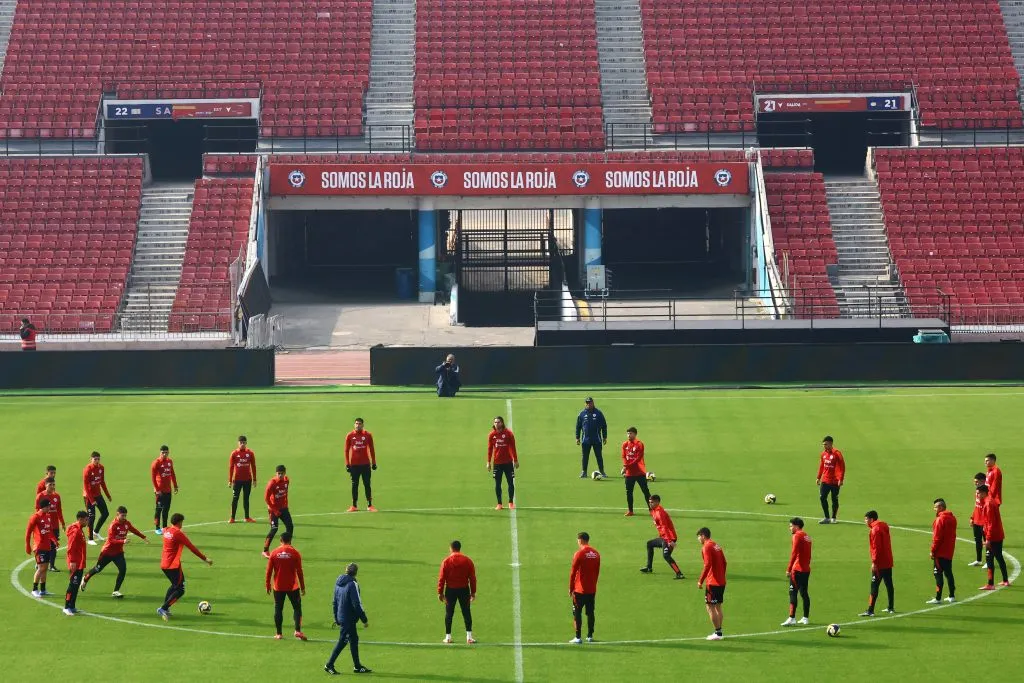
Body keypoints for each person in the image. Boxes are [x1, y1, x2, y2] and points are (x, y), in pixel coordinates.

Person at [82, 505, 149, 597]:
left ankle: (116, 591)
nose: (124, 518)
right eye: (123, 515)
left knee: (123, 570)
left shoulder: (126, 523)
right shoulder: (113, 525)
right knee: (97, 569)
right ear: (117, 514)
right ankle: (85, 579)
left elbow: (133, 530)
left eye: (125, 515)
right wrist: (123, 541)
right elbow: (111, 540)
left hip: (118, 553)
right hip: (107, 552)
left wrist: (143, 537)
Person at [157, 513, 213, 620]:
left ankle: (166, 608)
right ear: (179, 522)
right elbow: (192, 547)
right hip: (173, 565)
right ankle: (163, 608)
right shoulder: (178, 533)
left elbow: (164, 532)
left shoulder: (167, 530)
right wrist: (205, 559)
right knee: (181, 589)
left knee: (174, 585)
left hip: (164, 564)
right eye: (182, 522)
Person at [325, 563, 371, 675]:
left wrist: (336, 618)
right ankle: (329, 664)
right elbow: (357, 604)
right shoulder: (352, 584)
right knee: (342, 641)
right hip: (348, 619)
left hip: (342, 617)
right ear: (355, 572)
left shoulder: (338, 582)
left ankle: (357, 666)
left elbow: (334, 602)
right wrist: (364, 619)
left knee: (354, 639)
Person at [265, 531, 306, 640]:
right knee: (297, 608)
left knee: (278, 608)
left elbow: (269, 571)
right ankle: (297, 631)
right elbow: (299, 571)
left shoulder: (274, 553)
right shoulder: (295, 553)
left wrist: (267, 585)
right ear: (290, 540)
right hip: (292, 586)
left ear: (280, 540)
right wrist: (302, 587)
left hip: (278, 587)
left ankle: (279, 634)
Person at [438, 540, 477, 644]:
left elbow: (442, 578)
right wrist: (473, 592)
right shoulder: (468, 561)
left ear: (451, 548)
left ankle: (448, 637)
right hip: (464, 590)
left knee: (449, 613)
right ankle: (469, 637)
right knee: (466, 612)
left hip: (450, 590)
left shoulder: (446, 561)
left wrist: (440, 592)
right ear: (460, 548)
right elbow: (472, 578)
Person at [860, 511, 895, 616]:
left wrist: (874, 562)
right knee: (889, 584)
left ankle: (870, 610)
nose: (865, 521)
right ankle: (891, 607)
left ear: (871, 519)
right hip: (888, 560)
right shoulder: (884, 526)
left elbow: (876, 548)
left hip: (880, 563)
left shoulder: (874, 530)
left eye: (866, 519)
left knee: (874, 586)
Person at [640, 494, 684, 579]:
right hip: (664, 537)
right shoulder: (654, 510)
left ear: (657, 502)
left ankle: (679, 574)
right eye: (649, 502)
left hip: (669, 538)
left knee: (666, 556)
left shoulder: (660, 513)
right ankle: (649, 567)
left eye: (652, 502)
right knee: (649, 544)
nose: (650, 504)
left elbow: (665, 527)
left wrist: (670, 541)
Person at [568, 531, 600, 644]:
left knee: (577, 612)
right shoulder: (596, 553)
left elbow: (573, 572)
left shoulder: (579, 553)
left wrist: (570, 587)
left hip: (579, 589)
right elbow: (597, 571)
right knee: (590, 612)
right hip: (592, 589)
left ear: (580, 540)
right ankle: (590, 635)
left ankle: (577, 637)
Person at [696, 527, 727, 641]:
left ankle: (718, 633)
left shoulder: (707, 546)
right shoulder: (716, 545)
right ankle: (719, 632)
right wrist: (721, 576)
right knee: (718, 606)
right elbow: (724, 562)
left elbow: (707, 564)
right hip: (721, 581)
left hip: (712, 582)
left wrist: (701, 580)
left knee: (710, 606)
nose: (698, 539)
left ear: (703, 536)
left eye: (698, 537)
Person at [781, 517, 812, 625]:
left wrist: (788, 569)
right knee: (804, 593)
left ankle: (792, 618)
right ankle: (805, 618)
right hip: (806, 569)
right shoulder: (807, 536)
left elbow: (794, 553)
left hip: (797, 569)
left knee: (792, 592)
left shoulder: (797, 536)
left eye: (791, 526)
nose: (790, 528)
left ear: (796, 526)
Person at [978, 484, 1009, 589]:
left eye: (978, 493)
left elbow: (990, 522)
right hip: (998, 534)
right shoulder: (991, 501)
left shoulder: (988, 504)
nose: (977, 495)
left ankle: (990, 584)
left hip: (993, 536)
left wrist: (988, 539)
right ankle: (1005, 580)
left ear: (983, 493)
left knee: (989, 558)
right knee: (999, 557)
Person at [25, 498, 57, 597]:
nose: (49, 508)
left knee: (45, 568)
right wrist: (27, 545)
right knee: (41, 568)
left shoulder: (47, 516)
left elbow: (50, 531)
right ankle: (34, 589)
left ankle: (43, 590)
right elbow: (28, 532)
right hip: (39, 547)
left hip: (47, 546)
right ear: (43, 507)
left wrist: (54, 540)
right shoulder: (35, 517)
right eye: (48, 506)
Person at [927, 498, 957, 604]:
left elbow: (937, 538)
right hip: (949, 550)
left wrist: (932, 551)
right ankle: (952, 595)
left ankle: (938, 597)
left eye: (935, 507)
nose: (934, 509)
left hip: (940, 552)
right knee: (949, 573)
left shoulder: (940, 520)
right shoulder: (952, 518)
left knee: (938, 574)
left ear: (940, 507)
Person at [345, 418, 378, 512]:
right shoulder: (350, 436)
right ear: (354, 425)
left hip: (365, 464)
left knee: (367, 484)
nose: (357, 425)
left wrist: (374, 462)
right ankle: (354, 505)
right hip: (354, 465)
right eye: (356, 423)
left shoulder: (367, 435)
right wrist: (347, 464)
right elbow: (346, 450)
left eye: (359, 424)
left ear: (363, 425)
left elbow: (372, 449)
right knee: (354, 485)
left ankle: (370, 505)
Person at [487, 416, 518, 510]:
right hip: (497, 463)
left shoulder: (509, 434)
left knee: (510, 482)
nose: (496, 424)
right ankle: (499, 504)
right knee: (497, 483)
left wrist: (515, 460)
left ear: (502, 423)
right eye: (495, 422)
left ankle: (511, 502)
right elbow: (489, 449)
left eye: (498, 422)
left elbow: (513, 447)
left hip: (508, 462)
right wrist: (488, 462)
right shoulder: (492, 435)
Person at [36, 478, 65, 572]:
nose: (52, 487)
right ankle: (39, 563)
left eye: (53, 485)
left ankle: (52, 565)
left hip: (54, 525)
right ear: (45, 485)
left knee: (54, 545)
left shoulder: (57, 496)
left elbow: (59, 510)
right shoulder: (40, 496)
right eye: (50, 485)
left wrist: (62, 522)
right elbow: (37, 511)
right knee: (41, 544)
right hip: (43, 525)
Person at [63, 510, 89, 616]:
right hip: (75, 562)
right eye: (86, 519)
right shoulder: (76, 531)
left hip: (79, 561)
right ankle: (66, 607)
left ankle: (72, 606)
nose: (88, 522)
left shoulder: (79, 529)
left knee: (76, 583)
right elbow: (71, 547)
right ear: (80, 519)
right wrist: (72, 561)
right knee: (72, 584)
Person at [83, 451, 112, 545]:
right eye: (95, 459)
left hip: (98, 494)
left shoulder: (101, 468)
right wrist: (92, 500)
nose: (97, 461)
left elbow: (102, 482)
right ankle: (90, 538)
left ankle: (96, 531)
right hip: (88, 496)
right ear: (91, 459)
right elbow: (86, 486)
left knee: (105, 513)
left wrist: (108, 495)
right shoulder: (87, 470)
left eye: (98, 459)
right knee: (91, 517)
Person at [621, 427, 651, 517]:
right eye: (628, 433)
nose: (629, 435)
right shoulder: (625, 444)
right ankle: (630, 510)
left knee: (645, 491)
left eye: (630, 433)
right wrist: (625, 466)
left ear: (635, 434)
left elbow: (638, 458)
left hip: (639, 472)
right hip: (629, 474)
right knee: (629, 492)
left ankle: (652, 509)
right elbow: (623, 456)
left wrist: (626, 467)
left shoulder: (639, 444)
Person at [264, 465, 293, 558]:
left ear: (285, 473)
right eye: (278, 473)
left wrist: (285, 505)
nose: (280, 475)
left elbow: (285, 493)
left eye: (282, 473)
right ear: (276, 473)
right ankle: (265, 550)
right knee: (274, 528)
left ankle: (288, 546)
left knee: (290, 526)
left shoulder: (286, 480)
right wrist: (274, 510)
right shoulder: (272, 483)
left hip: (283, 508)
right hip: (273, 509)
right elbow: (266, 498)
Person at [575, 397, 608, 478]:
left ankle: (602, 471)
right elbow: (578, 426)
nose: (588, 404)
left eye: (590, 402)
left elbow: (604, 425)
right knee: (585, 457)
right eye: (587, 403)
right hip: (585, 440)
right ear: (585, 404)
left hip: (597, 439)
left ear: (593, 403)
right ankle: (584, 472)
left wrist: (604, 437)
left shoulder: (599, 413)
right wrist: (577, 437)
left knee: (599, 456)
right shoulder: (582, 414)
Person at [816, 436, 845, 524]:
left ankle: (833, 517)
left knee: (834, 499)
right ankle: (826, 517)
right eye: (823, 444)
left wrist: (841, 479)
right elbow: (822, 466)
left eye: (826, 444)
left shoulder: (837, 453)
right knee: (822, 497)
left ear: (831, 443)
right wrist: (818, 477)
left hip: (835, 481)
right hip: (825, 480)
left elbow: (842, 467)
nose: (824, 446)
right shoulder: (823, 454)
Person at [228, 435, 257, 523]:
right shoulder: (234, 454)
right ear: (238, 443)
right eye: (241, 443)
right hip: (237, 480)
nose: (242, 444)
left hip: (248, 480)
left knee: (246, 499)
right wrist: (229, 480)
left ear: (246, 443)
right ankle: (232, 518)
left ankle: (247, 517)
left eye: (244, 443)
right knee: (235, 498)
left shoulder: (250, 453)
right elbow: (231, 467)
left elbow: (253, 466)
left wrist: (254, 479)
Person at [151, 445, 178, 534]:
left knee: (166, 510)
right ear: (160, 452)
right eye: (163, 452)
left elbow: (172, 473)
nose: (165, 454)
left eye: (166, 452)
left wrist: (175, 485)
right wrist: (157, 489)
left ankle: (165, 527)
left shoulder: (169, 461)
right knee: (158, 509)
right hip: (160, 491)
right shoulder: (156, 463)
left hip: (168, 490)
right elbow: (153, 477)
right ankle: (157, 528)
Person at [969, 472, 987, 567]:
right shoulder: (978, 492)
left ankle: (989, 562)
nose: (975, 483)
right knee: (978, 541)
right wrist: (972, 517)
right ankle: (979, 560)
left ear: (983, 481)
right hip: (976, 521)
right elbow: (977, 506)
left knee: (987, 543)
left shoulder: (986, 493)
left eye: (976, 482)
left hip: (984, 522)